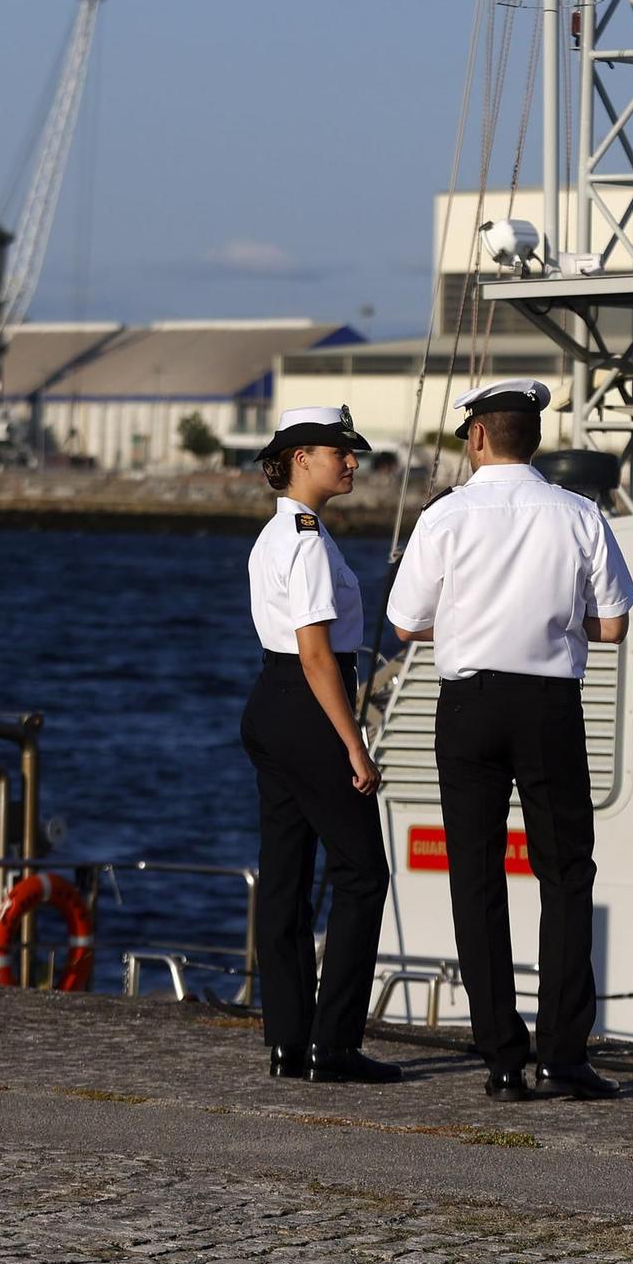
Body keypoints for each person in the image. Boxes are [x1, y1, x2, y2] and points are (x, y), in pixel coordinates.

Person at [386, 379, 633, 1102]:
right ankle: (564, 1055)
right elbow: (614, 625)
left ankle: (501, 1058)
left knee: (476, 875)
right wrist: (553, 622)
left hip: (469, 705)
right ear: (535, 440)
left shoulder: (445, 515)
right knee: (565, 874)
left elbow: (404, 623)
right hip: (548, 705)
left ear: (476, 436)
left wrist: (468, 624)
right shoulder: (579, 512)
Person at [239, 405, 401, 1085]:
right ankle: (331, 1045)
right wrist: (354, 745)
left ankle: (288, 1039)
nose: (353, 462)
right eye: (341, 452)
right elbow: (315, 653)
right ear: (302, 458)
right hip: (309, 704)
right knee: (362, 874)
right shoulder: (305, 539)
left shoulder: (276, 533)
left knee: (285, 877)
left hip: (272, 704)